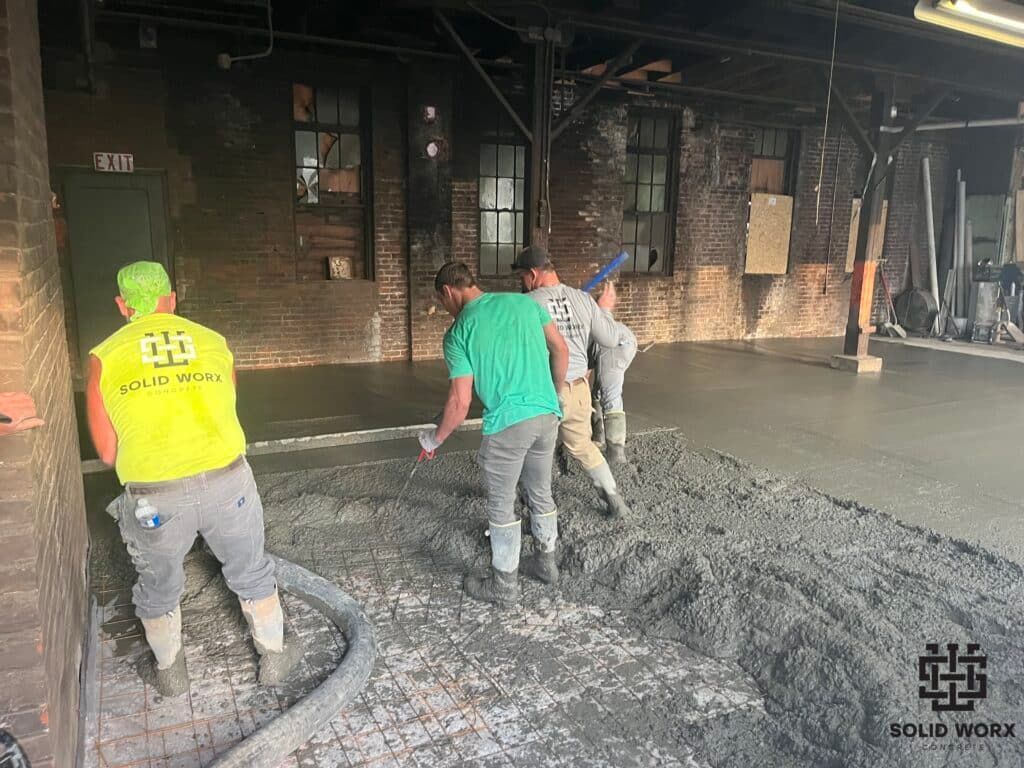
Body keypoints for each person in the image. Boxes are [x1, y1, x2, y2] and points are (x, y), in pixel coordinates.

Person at [85, 261, 301, 696]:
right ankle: (275, 657)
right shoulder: (214, 342)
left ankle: (170, 672)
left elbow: (108, 453)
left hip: (154, 499)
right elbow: (227, 405)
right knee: (250, 569)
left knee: (159, 582)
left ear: (122, 305)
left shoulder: (104, 356)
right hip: (228, 483)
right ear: (173, 300)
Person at [418, 262, 569, 607]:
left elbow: (460, 401)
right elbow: (561, 350)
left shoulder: (458, 333)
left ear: (447, 292)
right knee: (540, 491)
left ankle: (504, 585)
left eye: (443, 302)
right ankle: (546, 564)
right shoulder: (525, 303)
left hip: (509, 424)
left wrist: (434, 439)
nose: (445, 308)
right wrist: (554, 394)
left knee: (502, 503)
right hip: (547, 415)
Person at [514, 246, 631, 518]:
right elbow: (611, 340)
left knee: (530, 447)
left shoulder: (527, 303)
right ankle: (616, 502)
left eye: (521, 276)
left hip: (544, 391)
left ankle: (531, 507)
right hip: (579, 390)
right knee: (583, 446)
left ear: (533, 274)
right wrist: (601, 311)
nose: (520, 283)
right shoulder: (583, 299)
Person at [588, 281, 637, 465]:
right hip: (626, 341)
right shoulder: (592, 325)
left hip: (614, 347)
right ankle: (598, 437)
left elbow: (583, 374)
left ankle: (617, 454)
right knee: (598, 391)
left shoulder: (592, 326)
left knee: (610, 394)